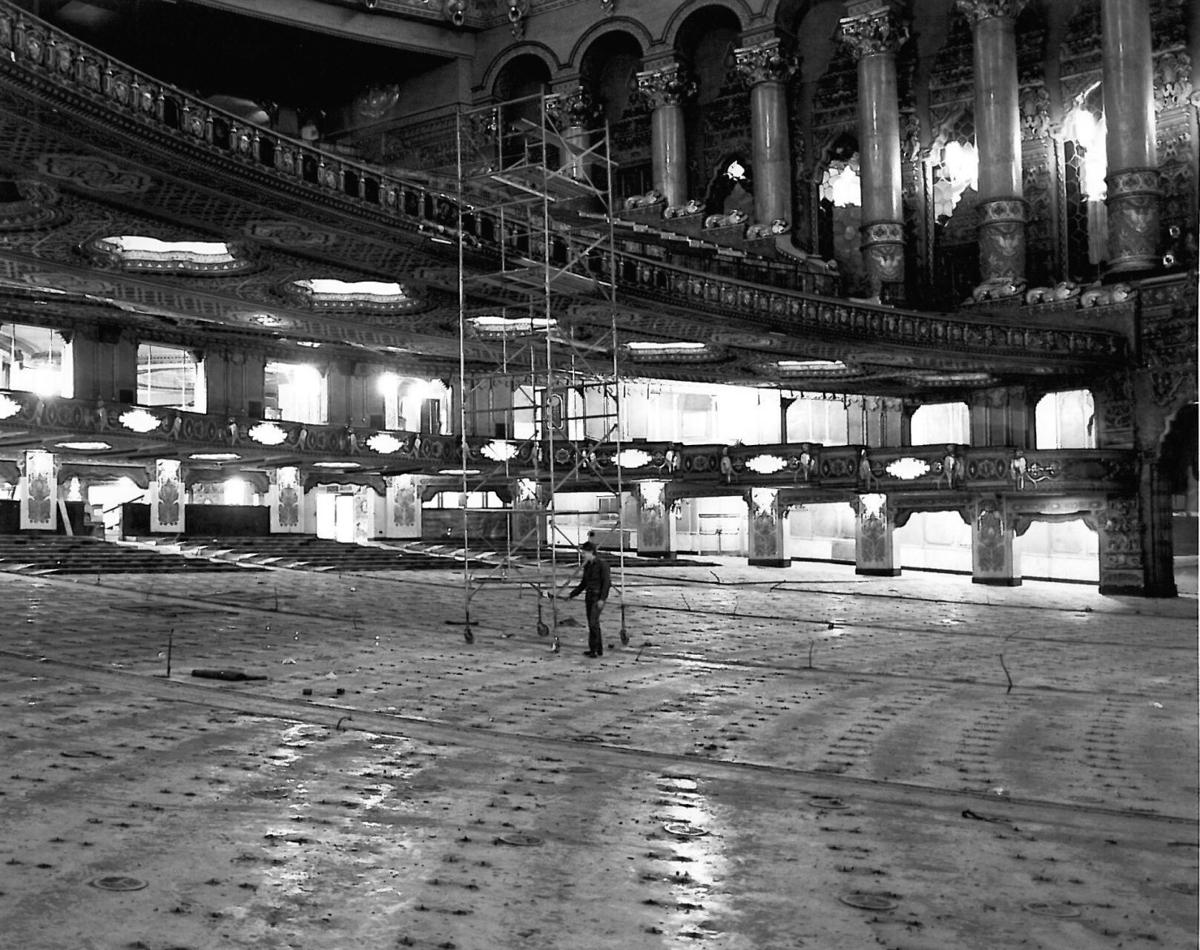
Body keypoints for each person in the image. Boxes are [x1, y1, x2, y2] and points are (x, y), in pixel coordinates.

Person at [566, 541, 610, 657]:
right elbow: (583, 583)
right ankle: (597, 649)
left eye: (584, 552)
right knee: (593, 623)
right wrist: (572, 594)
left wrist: (602, 599)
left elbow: (606, 583)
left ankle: (594, 649)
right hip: (589, 596)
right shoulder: (588, 566)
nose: (583, 555)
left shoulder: (602, 565)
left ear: (591, 552)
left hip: (597, 597)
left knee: (593, 623)